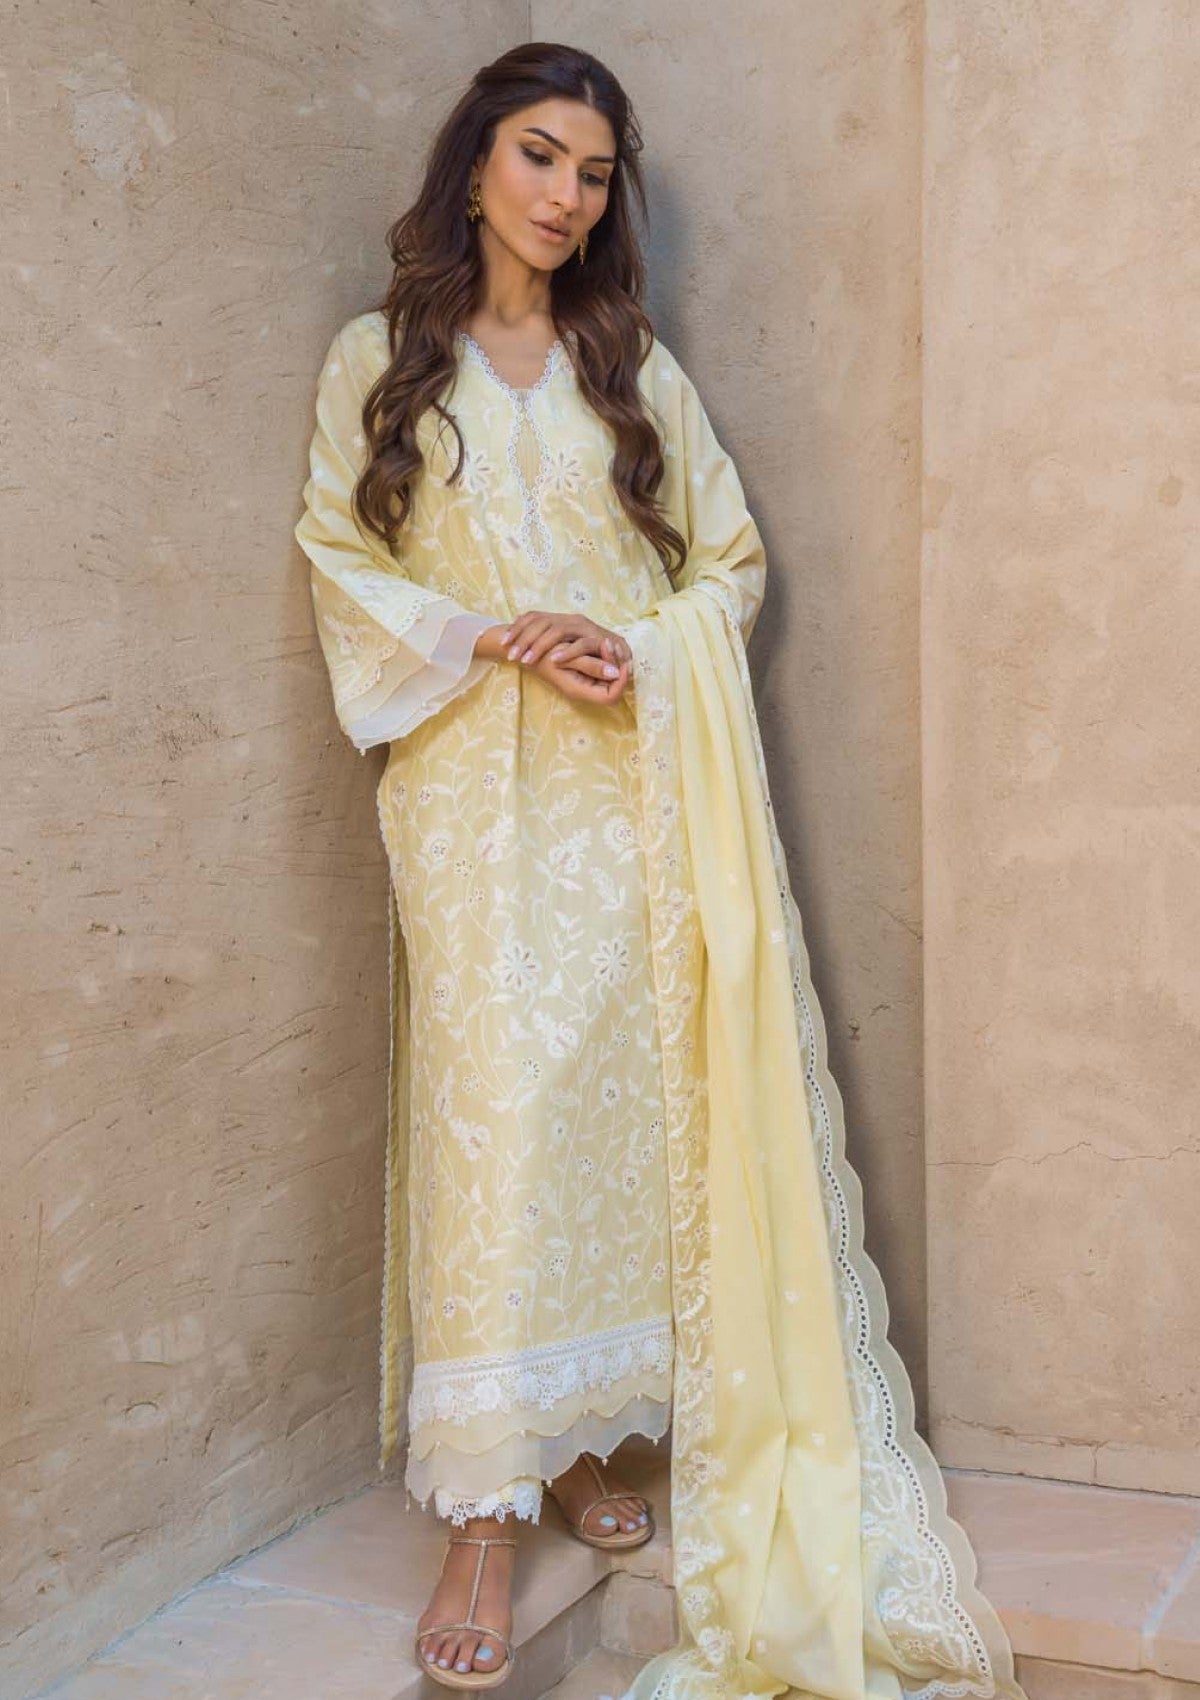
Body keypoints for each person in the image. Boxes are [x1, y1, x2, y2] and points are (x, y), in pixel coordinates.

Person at [294, 40, 1028, 1700]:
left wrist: (636, 647)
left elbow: (730, 566)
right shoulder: (380, 362)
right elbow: (338, 553)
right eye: (539, 156)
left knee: (616, 1127)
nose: (565, 197)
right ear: (476, 159)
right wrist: (496, 635)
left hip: (630, 794)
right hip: (470, 801)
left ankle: (576, 1452)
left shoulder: (630, 365)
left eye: (594, 172)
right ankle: (486, 1513)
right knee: (495, 1127)